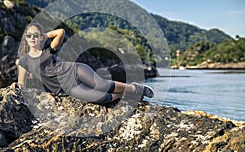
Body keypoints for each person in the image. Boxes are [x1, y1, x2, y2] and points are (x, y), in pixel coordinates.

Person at [10, 23, 154, 105]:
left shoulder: (48, 50)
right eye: (29, 35)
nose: (33, 38)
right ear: (25, 38)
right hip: (67, 87)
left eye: (36, 35)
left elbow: (60, 32)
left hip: (74, 70)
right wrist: (15, 86)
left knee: (102, 85)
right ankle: (127, 94)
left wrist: (44, 35)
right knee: (103, 98)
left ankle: (135, 88)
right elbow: (21, 83)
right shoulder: (24, 61)